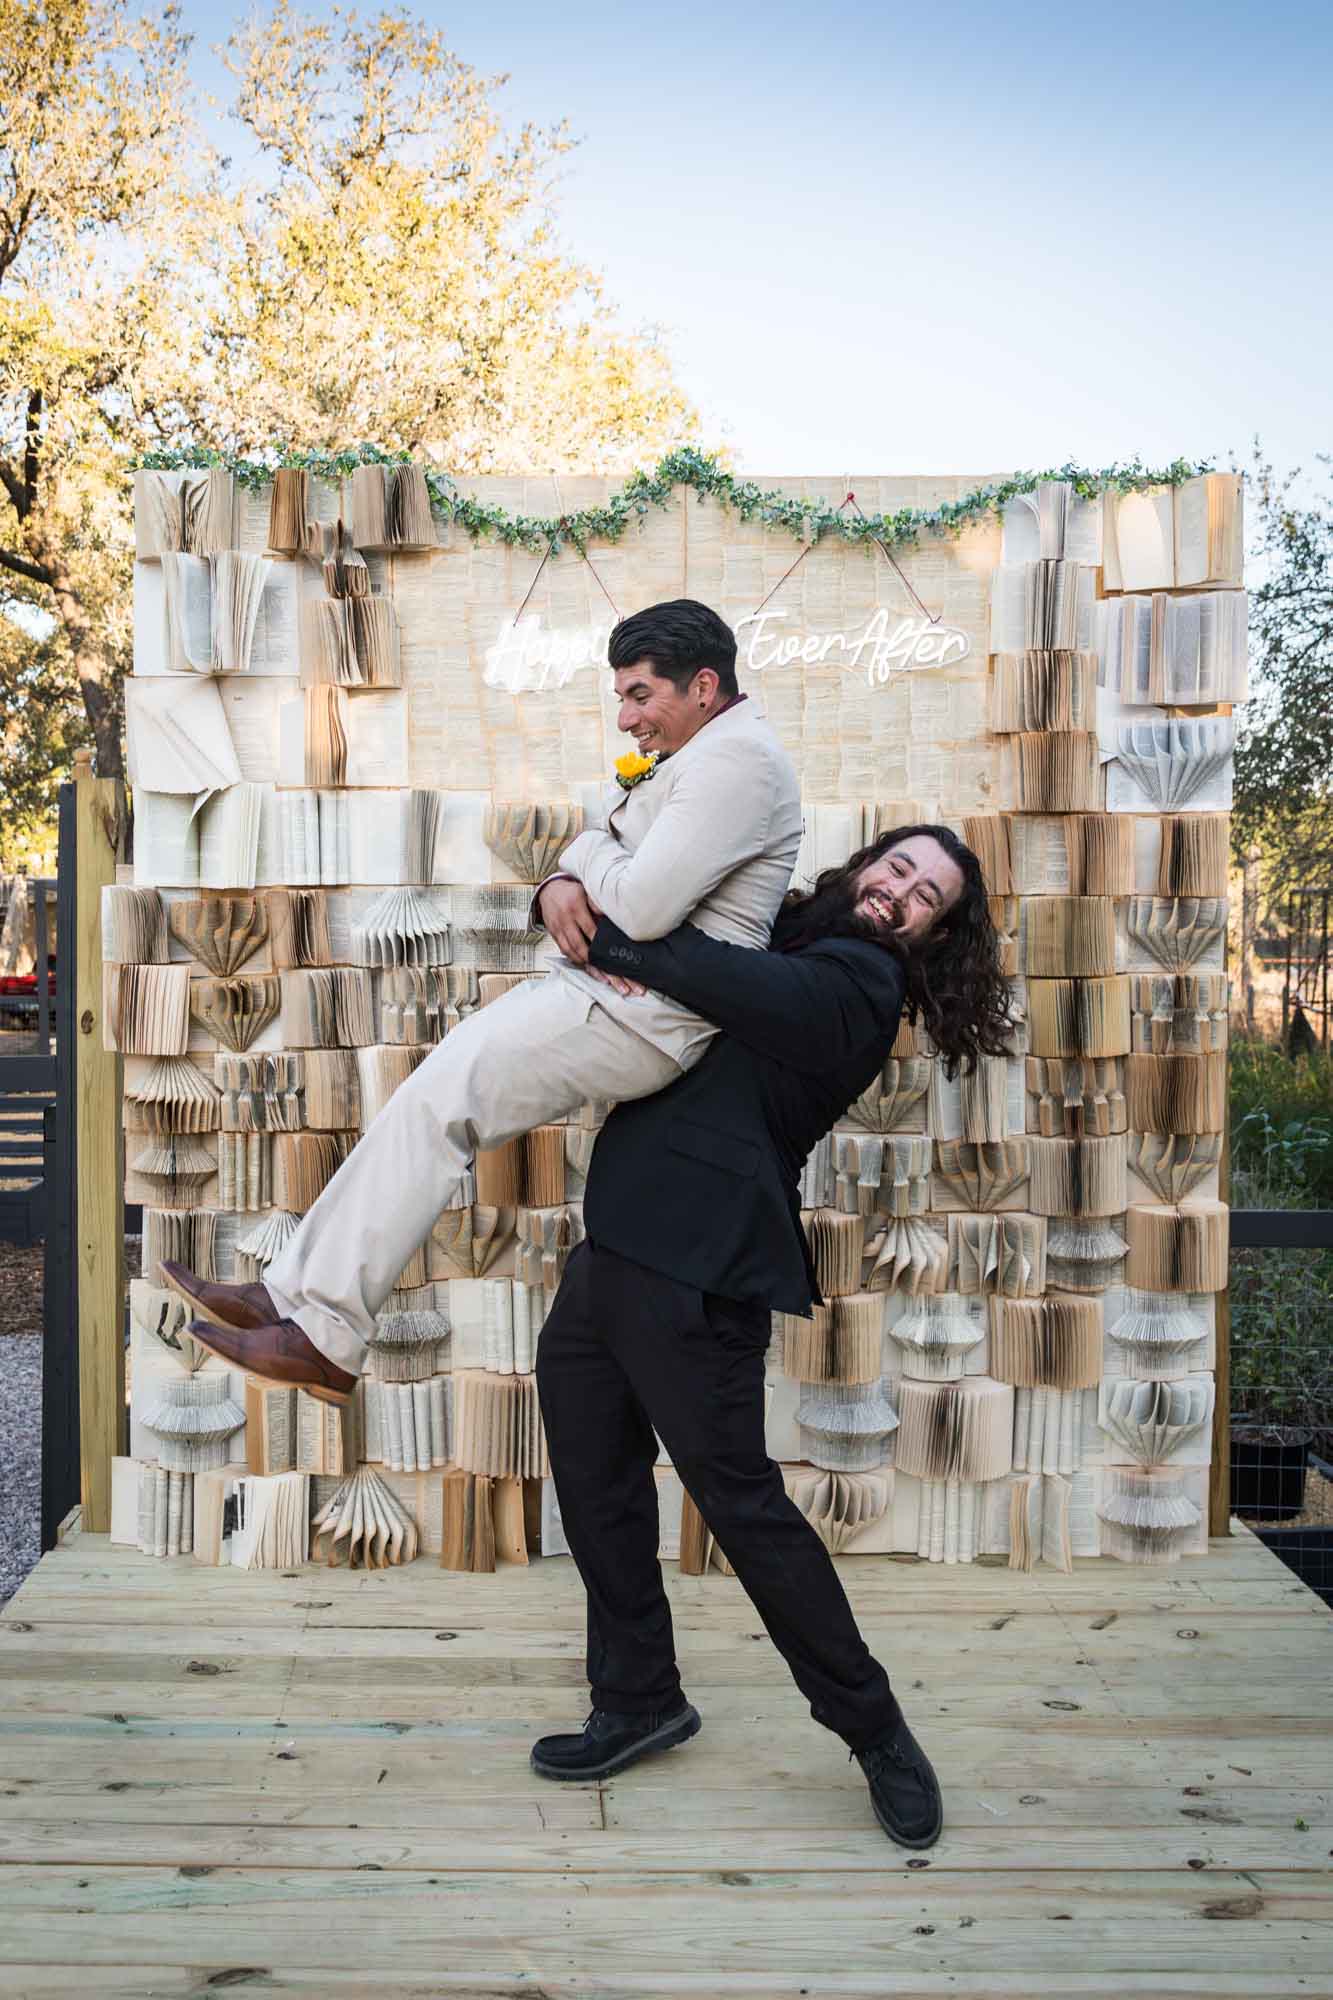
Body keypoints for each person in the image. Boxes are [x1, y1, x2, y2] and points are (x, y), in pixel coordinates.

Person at [166, 599, 803, 1397]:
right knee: (425, 1103)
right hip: (609, 993)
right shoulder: (706, 754)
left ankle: (322, 1332)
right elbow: (622, 860)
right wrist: (570, 876)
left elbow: (639, 905)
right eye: (621, 697)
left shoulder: (737, 762)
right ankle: (298, 1300)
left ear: (703, 685)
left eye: (640, 695)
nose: (625, 719)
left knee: (438, 1106)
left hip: (644, 1011)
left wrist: (576, 851)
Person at [527, 826, 1013, 1851]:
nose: (897, 893)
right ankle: (637, 1697)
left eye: (923, 895)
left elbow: (708, 977)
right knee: (595, 1483)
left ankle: (874, 1728)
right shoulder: (779, 924)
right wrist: (563, 883)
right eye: (895, 867)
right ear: (863, 863)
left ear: (932, 933)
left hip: (698, 1270)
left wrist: (600, 937)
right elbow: (648, 884)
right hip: (609, 1246)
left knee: (744, 1509)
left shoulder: (859, 983)